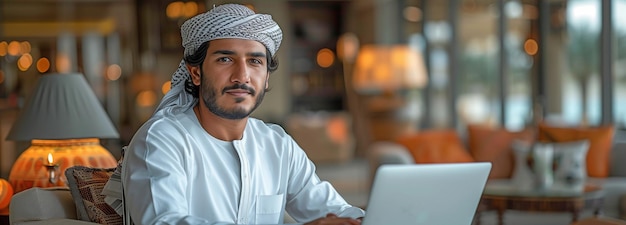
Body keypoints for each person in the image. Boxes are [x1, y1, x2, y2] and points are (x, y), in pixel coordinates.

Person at [119, 3, 365, 225]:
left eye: (255, 61)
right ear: (195, 73)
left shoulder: (278, 146)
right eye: (225, 59)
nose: (242, 76)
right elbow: (166, 221)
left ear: (267, 78)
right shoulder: (161, 140)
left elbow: (334, 210)